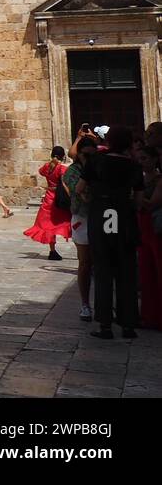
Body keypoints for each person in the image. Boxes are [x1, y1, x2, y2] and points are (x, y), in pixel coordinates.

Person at [77, 126, 143, 339]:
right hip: (123, 216)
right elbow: (139, 201)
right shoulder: (133, 166)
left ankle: (105, 324)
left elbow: (79, 189)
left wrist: (92, 198)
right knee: (127, 271)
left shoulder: (96, 160)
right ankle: (128, 324)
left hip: (102, 215)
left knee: (103, 269)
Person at [64, 137, 97, 321]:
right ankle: (85, 304)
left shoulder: (101, 167)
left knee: (108, 259)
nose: (89, 158)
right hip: (82, 217)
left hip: (105, 217)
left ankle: (108, 303)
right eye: (86, 155)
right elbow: (82, 194)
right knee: (85, 262)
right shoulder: (72, 171)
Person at [24, 146, 72, 261]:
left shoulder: (47, 167)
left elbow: (41, 171)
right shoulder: (61, 169)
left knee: (49, 226)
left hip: (48, 198)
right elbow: (66, 182)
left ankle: (52, 251)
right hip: (59, 199)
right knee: (68, 221)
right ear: (63, 156)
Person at [135, 145, 162, 330]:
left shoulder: (159, 180)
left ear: (154, 159)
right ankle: (148, 315)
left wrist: (135, 196)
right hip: (143, 227)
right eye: (140, 158)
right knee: (145, 273)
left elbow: (153, 204)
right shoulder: (141, 179)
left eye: (144, 158)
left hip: (156, 228)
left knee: (159, 271)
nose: (141, 162)